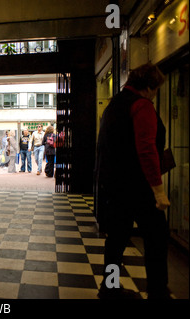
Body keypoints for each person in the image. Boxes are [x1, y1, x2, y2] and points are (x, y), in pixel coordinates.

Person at [95, 63, 171, 299]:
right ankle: (158, 291)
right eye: (156, 88)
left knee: (116, 241)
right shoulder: (142, 106)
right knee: (157, 239)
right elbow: (146, 150)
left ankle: (109, 286)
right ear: (149, 86)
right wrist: (158, 191)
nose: (155, 93)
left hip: (115, 186)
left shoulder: (113, 105)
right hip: (140, 187)